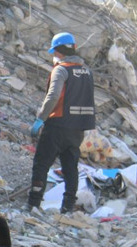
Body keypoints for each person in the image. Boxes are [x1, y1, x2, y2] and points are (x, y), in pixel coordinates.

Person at [28, 32, 96, 213]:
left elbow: (53, 96)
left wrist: (40, 119)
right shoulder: (87, 72)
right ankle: (67, 207)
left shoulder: (61, 69)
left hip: (57, 125)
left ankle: (33, 204)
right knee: (70, 167)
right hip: (78, 129)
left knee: (41, 164)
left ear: (58, 51)